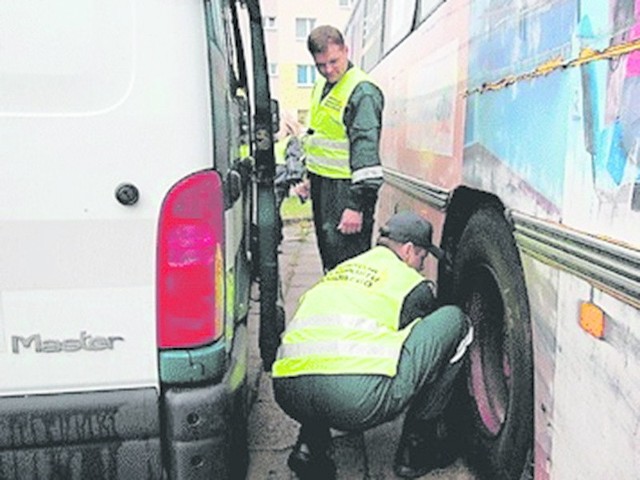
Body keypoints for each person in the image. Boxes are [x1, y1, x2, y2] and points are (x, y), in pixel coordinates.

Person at [272, 211, 474, 479]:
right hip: (354, 402)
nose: (421, 266)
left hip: (287, 390)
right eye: (422, 258)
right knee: (454, 321)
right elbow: (423, 351)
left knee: (324, 353)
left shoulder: (341, 270)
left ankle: (310, 445)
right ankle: (416, 451)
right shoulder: (411, 284)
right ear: (408, 250)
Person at [295, 25, 384, 271]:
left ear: (347, 50)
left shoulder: (362, 92)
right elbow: (320, 138)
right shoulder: (322, 86)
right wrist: (310, 179)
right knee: (331, 259)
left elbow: (366, 156)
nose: (328, 70)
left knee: (348, 266)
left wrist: (356, 206)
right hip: (325, 187)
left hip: (347, 192)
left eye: (334, 61)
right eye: (321, 65)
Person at [274, 114, 305, 244]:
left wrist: (295, 178)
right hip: (276, 178)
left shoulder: (290, 141)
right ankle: (275, 238)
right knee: (274, 210)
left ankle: (275, 238)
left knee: (274, 209)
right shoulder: (277, 141)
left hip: (280, 179)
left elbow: (293, 159)